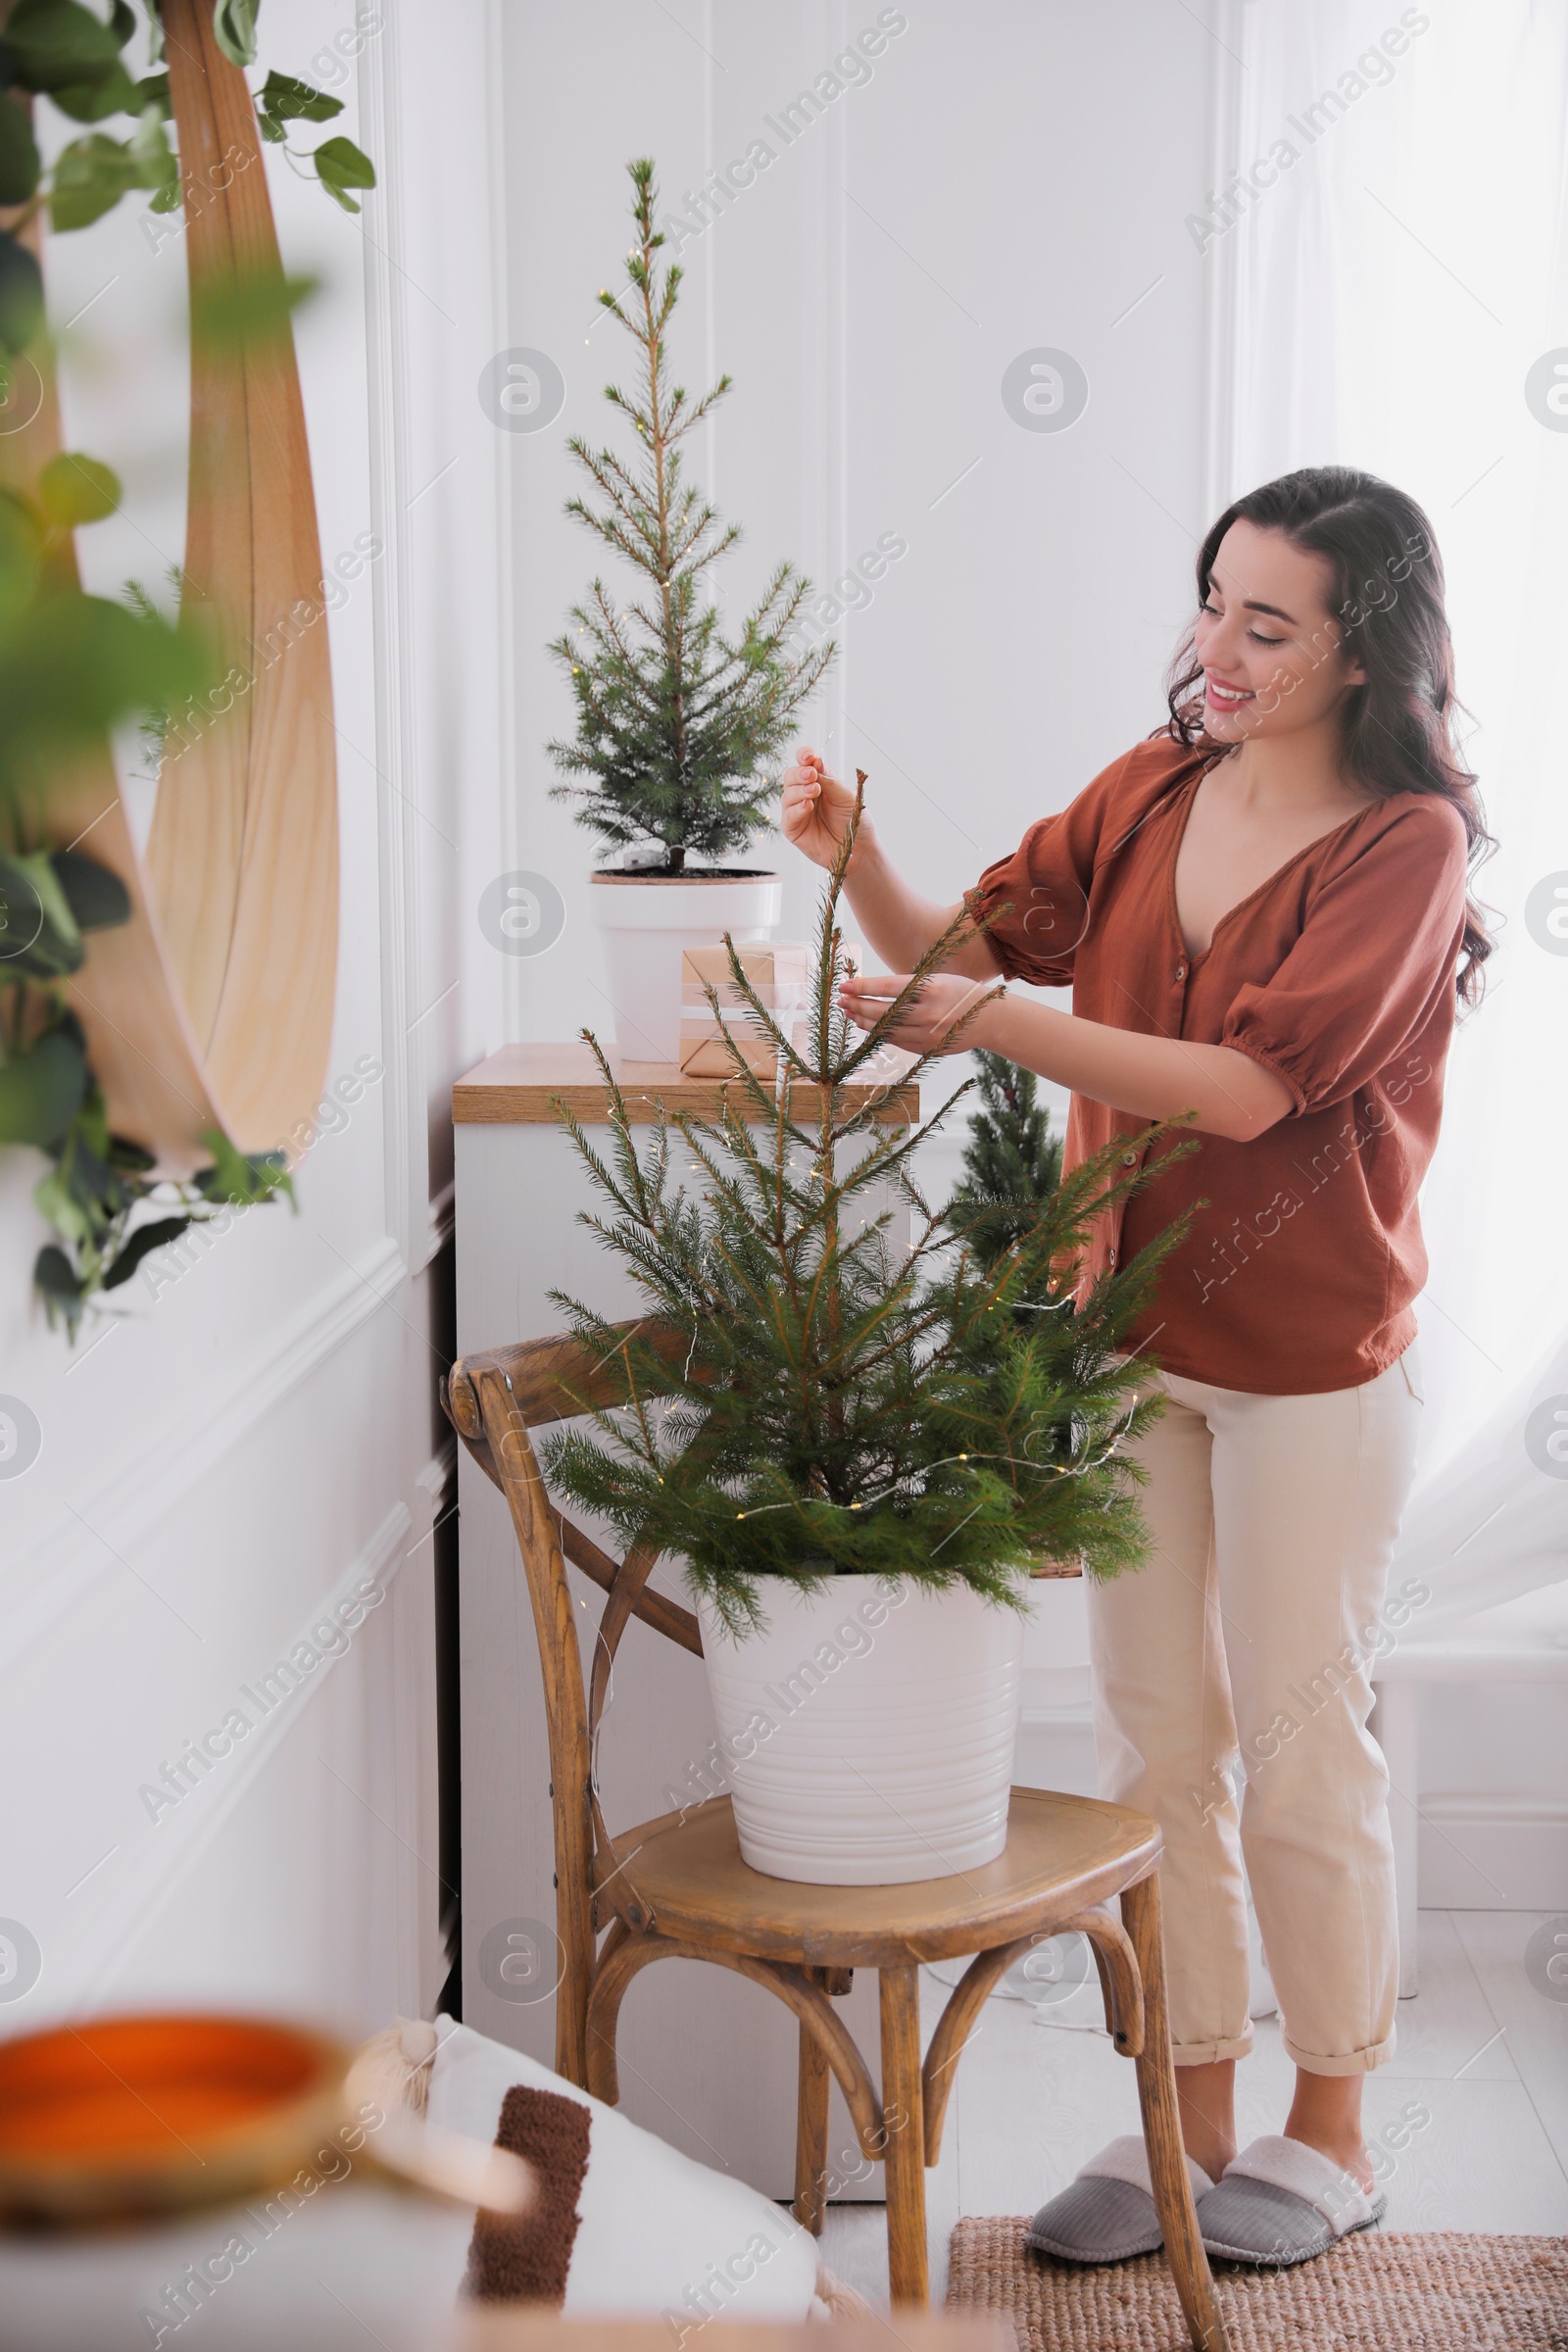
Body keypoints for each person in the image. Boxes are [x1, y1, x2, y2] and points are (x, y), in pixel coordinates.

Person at [779, 466, 1491, 2270]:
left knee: (1300, 1738)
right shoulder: (1151, 788)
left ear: (1363, 654)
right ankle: (1185, 2113)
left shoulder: (1404, 850)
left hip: (1312, 1361)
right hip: (1129, 1337)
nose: (1221, 648)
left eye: (1271, 622)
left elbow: (1252, 1091)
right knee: (1148, 1740)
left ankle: (1334, 2129)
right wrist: (859, 858)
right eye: (1212, 603)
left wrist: (996, 1025)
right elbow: (950, 951)